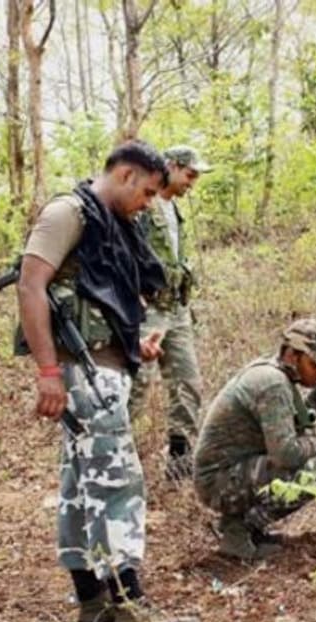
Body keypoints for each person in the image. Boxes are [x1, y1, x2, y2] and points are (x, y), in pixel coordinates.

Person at [15, 141, 200, 622]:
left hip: (102, 366)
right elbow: (31, 287)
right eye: (144, 192)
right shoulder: (67, 213)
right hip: (82, 374)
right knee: (117, 484)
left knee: (81, 488)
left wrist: (132, 343)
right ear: (123, 175)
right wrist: (48, 371)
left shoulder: (109, 223)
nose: (147, 204)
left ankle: (92, 607)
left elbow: (96, 297)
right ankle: (131, 610)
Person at [193, 319, 316, 560]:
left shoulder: (275, 374)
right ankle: (239, 532)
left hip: (228, 473)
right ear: (292, 355)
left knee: (315, 459)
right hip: (218, 481)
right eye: (315, 365)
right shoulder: (272, 384)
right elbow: (286, 454)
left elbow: (302, 420)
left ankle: (243, 528)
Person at [129, 145, 212, 478]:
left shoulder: (174, 209)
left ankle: (180, 459)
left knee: (187, 382)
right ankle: (117, 459)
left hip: (176, 309)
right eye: (189, 174)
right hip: (148, 311)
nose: (192, 182)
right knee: (136, 388)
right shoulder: (142, 208)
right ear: (171, 167)